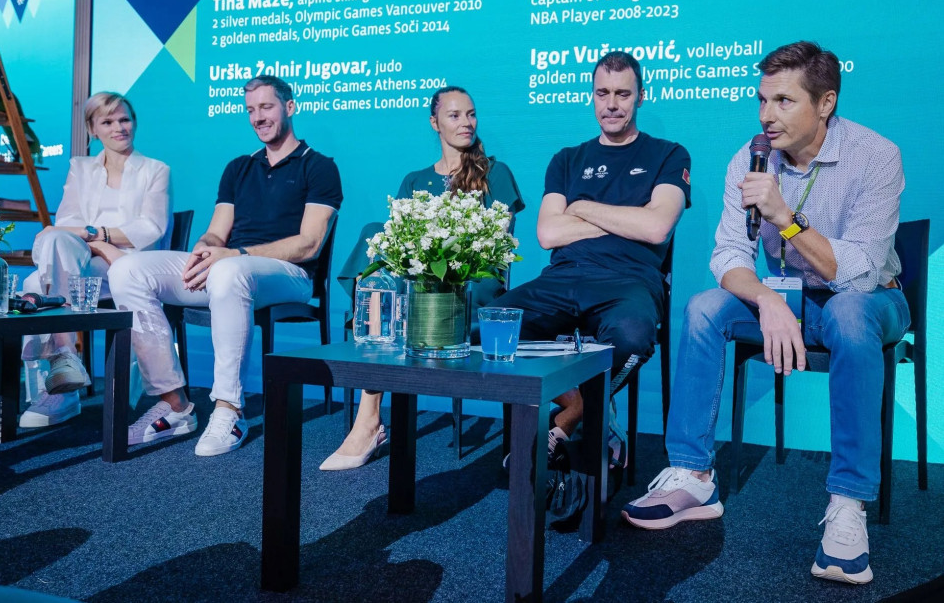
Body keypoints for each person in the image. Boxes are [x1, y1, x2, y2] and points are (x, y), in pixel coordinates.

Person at [623, 41, 909, 586]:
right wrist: (770, 300)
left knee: (849, 311)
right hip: (787, 299)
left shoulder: (877, 156)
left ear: (825, 103)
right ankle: (691, 475)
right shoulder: (750, 158)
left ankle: (848, 504)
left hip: (872, 300)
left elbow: (862, 272)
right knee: (705, 308)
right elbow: (728, 257)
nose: (765, 115)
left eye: (782, 101)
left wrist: (788, 217)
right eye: (761, 99)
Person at [107, 75, 343, 456]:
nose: (258, 118)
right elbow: (217, 234)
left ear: (290, 106)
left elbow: (309, 244)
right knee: (128, 270)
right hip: (231, 270)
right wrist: (204, 249)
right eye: (251, 110)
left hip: (291, 276)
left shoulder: (318, 166)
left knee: (230, 271)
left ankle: (230, 409)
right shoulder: (238, 168)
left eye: (266, 107)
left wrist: (233, 256)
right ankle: (175, 403)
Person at [487, 51, 690, 458]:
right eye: (603, 93)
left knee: (631, 338)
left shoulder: (669, 154)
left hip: (630, 282)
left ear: (640, 97)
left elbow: (656, 227)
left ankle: (573, 420)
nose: (612, 104)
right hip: (562, 278)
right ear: (592, 97)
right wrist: (627, 218)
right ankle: (577, 408)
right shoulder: (567, 159)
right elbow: (547, 233)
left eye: (622, 94)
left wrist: (580, 208)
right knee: (490, 331)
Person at [321, 85, 525, 471]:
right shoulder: (415, 179)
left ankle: (367, 420)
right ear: (435, 123)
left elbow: (496, 246)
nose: (466, 122)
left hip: (469, 282)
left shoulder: (495, 173)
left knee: (390, 295)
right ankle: (371, 405)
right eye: (454, 115)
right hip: (415, 284)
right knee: (373, 234)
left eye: (471, 114)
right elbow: (398, 242)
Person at [19, 92, 171, 429]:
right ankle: (66, 360)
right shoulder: (81, 168)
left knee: (34, 283)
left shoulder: (155, 170)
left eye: (124, 119)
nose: (119, 127)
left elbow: (150, 228)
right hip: (83, 258)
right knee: (53, 243)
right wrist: (99, 241)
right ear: (93, 129)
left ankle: (62, 388)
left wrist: (95, 234)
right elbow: (64, 223)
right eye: (108, 122)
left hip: (127, 263)